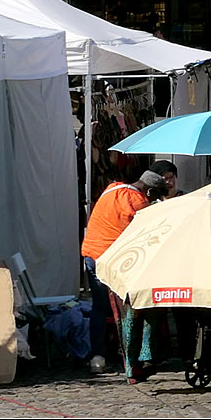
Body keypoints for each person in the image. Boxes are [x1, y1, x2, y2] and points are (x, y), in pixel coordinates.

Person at [80, 161, 175, 376]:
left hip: (91, 255)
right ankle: (131, 359)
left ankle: (98, 356)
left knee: (100, 308)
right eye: (154, 196)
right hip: (115, 260)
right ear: (149, 191)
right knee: (128, 310)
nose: (152, 201)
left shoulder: (111, 188)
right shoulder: (139, 203)